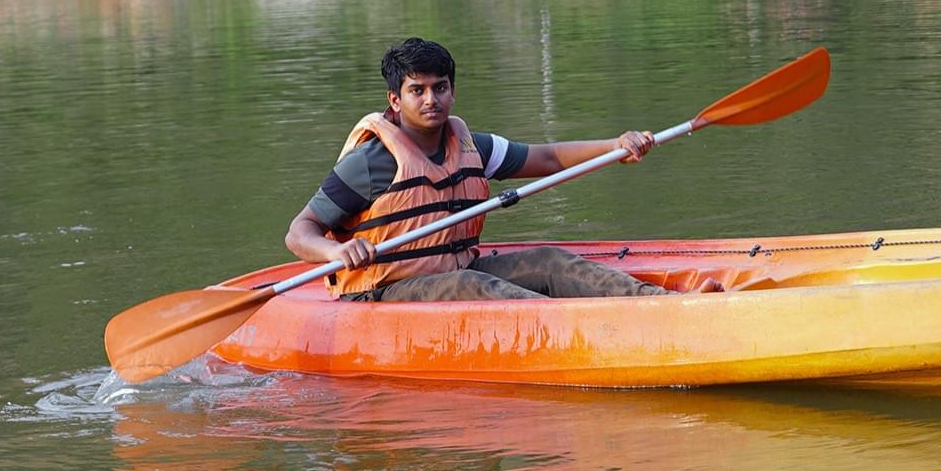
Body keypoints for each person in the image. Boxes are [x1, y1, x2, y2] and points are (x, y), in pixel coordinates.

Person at [285, 36, 675, 301]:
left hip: (460, 271)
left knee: (549, 259)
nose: (430, 99)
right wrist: (336, 251)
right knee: (472, 283)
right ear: (395, 99)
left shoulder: (472, 147)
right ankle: (583, 330)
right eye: (416, 91)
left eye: (439, 87)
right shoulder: (372, 164)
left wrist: (615, 147)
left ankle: (662, 305)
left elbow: (549, 158)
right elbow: (300, 232)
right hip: (384, 290)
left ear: (453, 91)